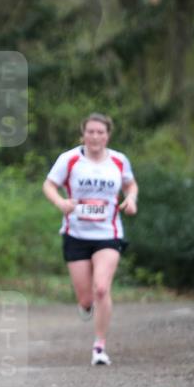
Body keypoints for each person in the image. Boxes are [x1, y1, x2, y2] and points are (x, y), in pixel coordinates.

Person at [43, 113, 138, 366]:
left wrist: (131, 199)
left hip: (108, 234)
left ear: (108, 135)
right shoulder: (70, 159)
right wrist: (60, 202)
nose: (95, 136)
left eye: (100, 132)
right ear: (83, 134)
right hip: (76, 234)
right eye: (91, 132)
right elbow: (49, 185)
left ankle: (99, 347)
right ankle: (86, 307)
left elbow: (131, 185)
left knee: (102, 289)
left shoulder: (119, 160)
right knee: (86, 300)